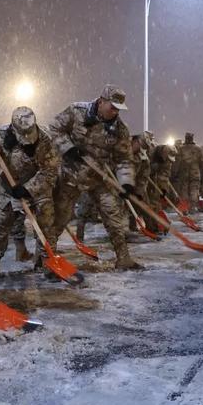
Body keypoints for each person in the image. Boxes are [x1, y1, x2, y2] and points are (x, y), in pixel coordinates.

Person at [48, 84, 142, 270]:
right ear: (101, 101)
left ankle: (123, 258)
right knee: (60, 218)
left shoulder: (120, 129)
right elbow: (55, 129)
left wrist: (126, 183)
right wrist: (68, 148)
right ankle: (45, 258)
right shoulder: (77, 111)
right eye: (112, 107)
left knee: (113, 215)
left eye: (118, 109)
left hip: (100, 177)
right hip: (71, 174)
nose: (115, 112)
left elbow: (124, 159)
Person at [0, 106, 58, 280]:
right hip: (9, 186)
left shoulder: (46, 139)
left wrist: (28, 188)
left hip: (37, 186)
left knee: (46, 225)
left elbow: (49, 172)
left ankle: (47, 263)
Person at [176, 132, 203, 211]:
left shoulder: (181, 149)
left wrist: (176, 173)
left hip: (184, 174)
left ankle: (185, 208)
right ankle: (193, 206)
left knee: (184, 190)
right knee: (194, 189)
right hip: (195, 173)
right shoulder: (198, 149)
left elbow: (177, 163)